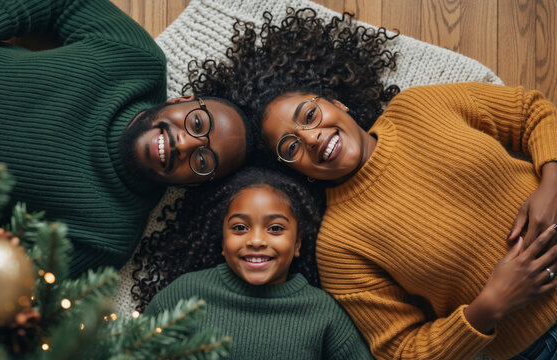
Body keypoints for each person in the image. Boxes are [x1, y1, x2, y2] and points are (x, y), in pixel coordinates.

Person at [184, 8, 557, 360]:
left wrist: (550, 184)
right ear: (296, 172)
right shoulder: (340, 248)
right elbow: (400, 350)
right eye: (291, 146)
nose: (312, 138)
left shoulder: (419, 107)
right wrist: (489, 307)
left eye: (310, 115)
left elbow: (532, 111)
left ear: (338, 104)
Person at [0, 0, 252, 276]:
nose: (186, 144)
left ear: (192, 184)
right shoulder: (137, 59)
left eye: (203, 160)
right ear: (182, 101)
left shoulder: (106, 238)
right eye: (196, 123)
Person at [140, 166, 372, 359]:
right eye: (240, 228)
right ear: (223, 242)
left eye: (275, 228)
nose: (257, 240)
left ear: (297, 244)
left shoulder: (321, 310)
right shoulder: (186, 294)